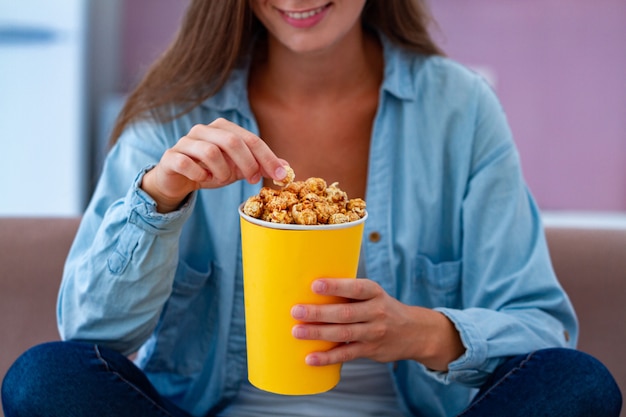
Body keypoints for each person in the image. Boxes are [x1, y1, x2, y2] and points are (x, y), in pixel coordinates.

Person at [2, 1, 622, 416]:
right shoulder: (174, 116)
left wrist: (422, 332)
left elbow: (544, 332)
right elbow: (88, 338)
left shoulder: (460, 110)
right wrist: (160, 197)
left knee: (580, 386)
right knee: (44, 379)